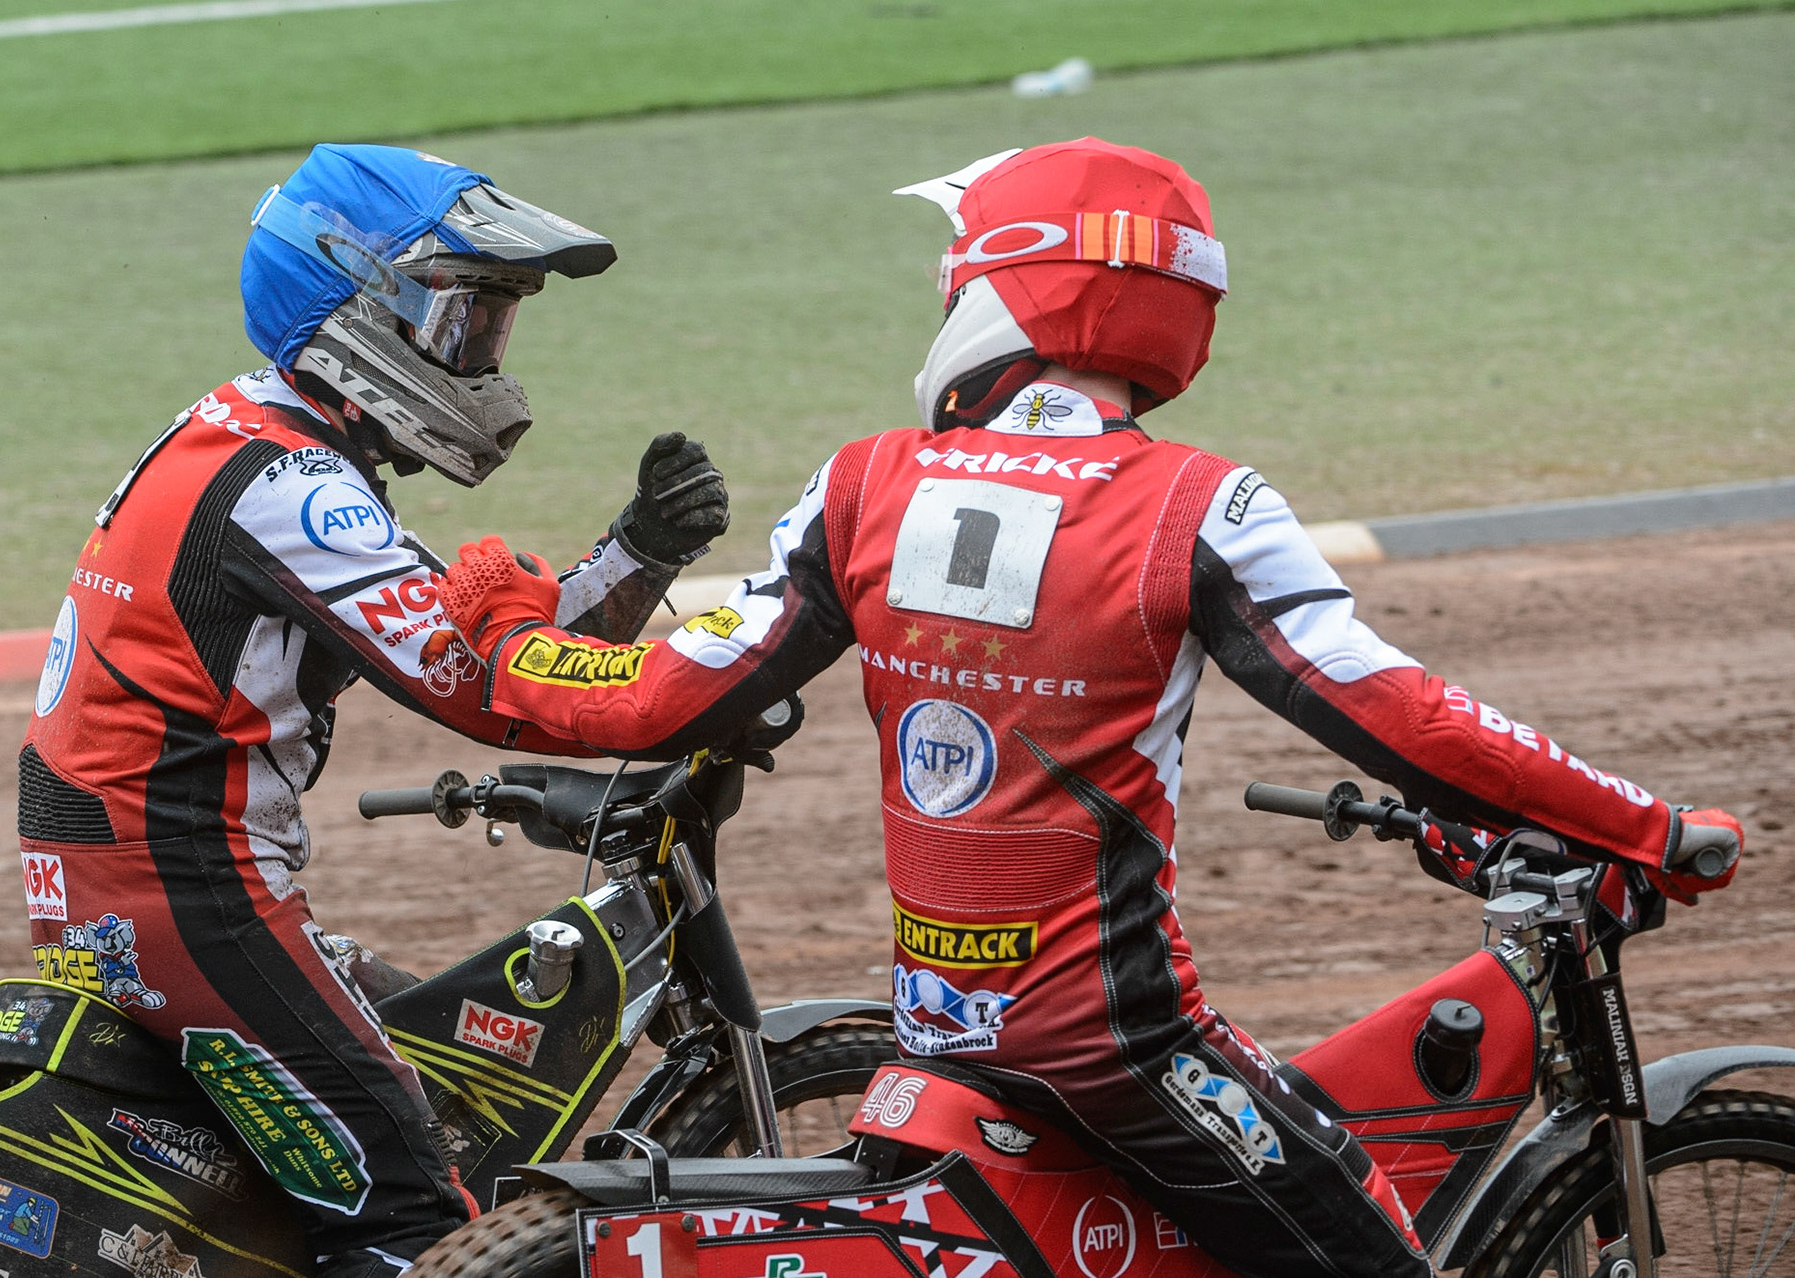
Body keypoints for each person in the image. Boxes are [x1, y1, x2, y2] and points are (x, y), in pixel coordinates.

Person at [432, 139, 1743, 1277]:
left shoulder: (863, 485)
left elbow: (657, 700)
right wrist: (1643, 824)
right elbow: (1407, 717)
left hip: (941, 1025)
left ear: (1010, 284)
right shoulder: (1199, 504)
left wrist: (513, 633)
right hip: (1119, 1044)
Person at [16, 144, 729, 1278]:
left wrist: (636, 553)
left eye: (494, 324)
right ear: (356, 312)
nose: (483, 358)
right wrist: (699, 679)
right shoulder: (292, 488)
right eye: (462, 321)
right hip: (182, 887)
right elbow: (485, 686)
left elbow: (463, 638)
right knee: (405, 1209)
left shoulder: (259, 438)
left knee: (458, 1093)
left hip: (133, 875)